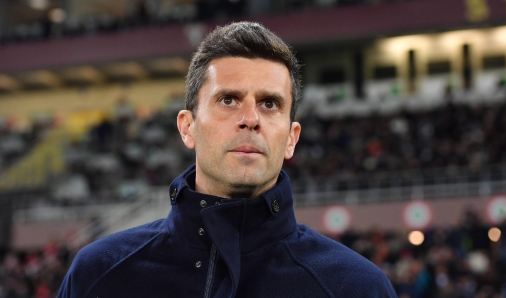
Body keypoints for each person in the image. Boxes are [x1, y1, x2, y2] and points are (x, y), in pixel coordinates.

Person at [57, 22, 397, 298]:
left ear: (291, 138)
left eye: (269, 104)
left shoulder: (356, 288)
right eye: (229, 99)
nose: (250, 118)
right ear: (187, 127)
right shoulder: (98, 276)